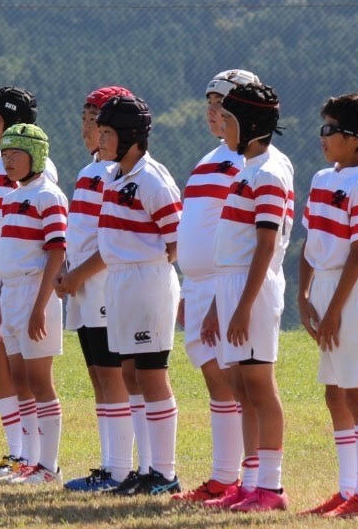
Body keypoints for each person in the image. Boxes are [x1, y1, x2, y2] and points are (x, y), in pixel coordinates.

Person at [202, 82, 295, 513]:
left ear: (253, 126)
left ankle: (270, 488)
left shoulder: (269, 172)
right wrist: (219, 307)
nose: (222, 127)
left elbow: (265, 246)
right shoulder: (247, 167)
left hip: (252, 288)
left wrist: (241, 306)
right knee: (241, 386)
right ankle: (251, 479)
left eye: (231, 120)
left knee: (259, 385)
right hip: (232, 286)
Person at [170, 70, 260, 504]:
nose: (212, 112)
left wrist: (214, 297)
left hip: (226, 284)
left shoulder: (247, 163)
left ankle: (247, 478)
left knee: (236, 381)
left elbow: (236, 231)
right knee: (215, 379)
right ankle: (225, 476)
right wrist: (191, 288)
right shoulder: (210, 160)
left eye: (221, 104)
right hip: (202, 285)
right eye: (209, 104)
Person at [297, 93, 358, 519]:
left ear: (357, 140)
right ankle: (347, 488)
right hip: (325, 290)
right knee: (335, 393)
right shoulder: (321, 180)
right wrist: (303, 295)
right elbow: (310, 243)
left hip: (349, 295)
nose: (324, 137)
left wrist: (334, 308)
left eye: (331, 130)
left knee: (357, 391)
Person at [93, 95, 184, 498]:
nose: (100, 138)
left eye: (108, 132)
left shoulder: (152, 179)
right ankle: (144, 470)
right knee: (129, 374)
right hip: (120, 282)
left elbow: (178, 237)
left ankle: (164, 473)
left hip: (148, 282)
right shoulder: (114, 175)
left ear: (131, 137)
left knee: (151, 374)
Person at [0, 87, 58, 478]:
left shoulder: (43, 185)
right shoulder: (4, 179)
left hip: (28, 281)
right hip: (3, 277)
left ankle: (40, 460)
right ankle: (21, 455)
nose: (7, 160)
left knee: (32, 377)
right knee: (9, 370)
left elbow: (52, 246)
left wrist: (39, 302)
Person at [58, 86, 133, 492]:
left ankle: (120, 470)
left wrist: (80, 274)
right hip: (83, 284)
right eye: (85, 117)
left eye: (96, 119)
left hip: (102, 283)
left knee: (113, 376)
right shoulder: (90, 170)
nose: (87, 127)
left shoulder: (116, 174)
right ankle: (110, 466)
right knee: (98, 377)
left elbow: (114, 239)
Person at [0, 122, 67, 485]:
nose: (8, 160)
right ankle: (29, 461)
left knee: (39, 380)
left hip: (38, 292)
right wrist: (0, 306)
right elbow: (10, 257)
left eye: (15, 153)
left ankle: (48, 466)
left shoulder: (48, 196)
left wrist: (40, 305)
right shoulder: (11, 197)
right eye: (4, 153)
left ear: (35, 155)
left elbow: (56, 253)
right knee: (19, 379)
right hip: (13, 293)